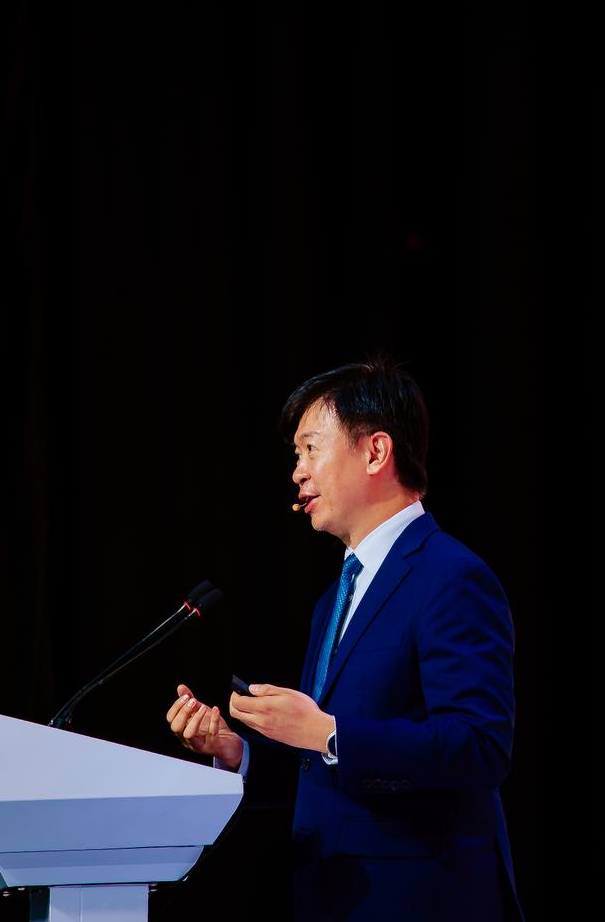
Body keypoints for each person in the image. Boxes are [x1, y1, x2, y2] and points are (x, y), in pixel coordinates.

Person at [166, 356, 523, 920]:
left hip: (423, 901)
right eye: (296, 456)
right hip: (334, 899)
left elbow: (479, 747)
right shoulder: (334, 598)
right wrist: (239, 753)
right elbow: (323, 766)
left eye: (311, 449)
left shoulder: (452, 577)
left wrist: (328, 733)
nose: (298, 473)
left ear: (376, 452)